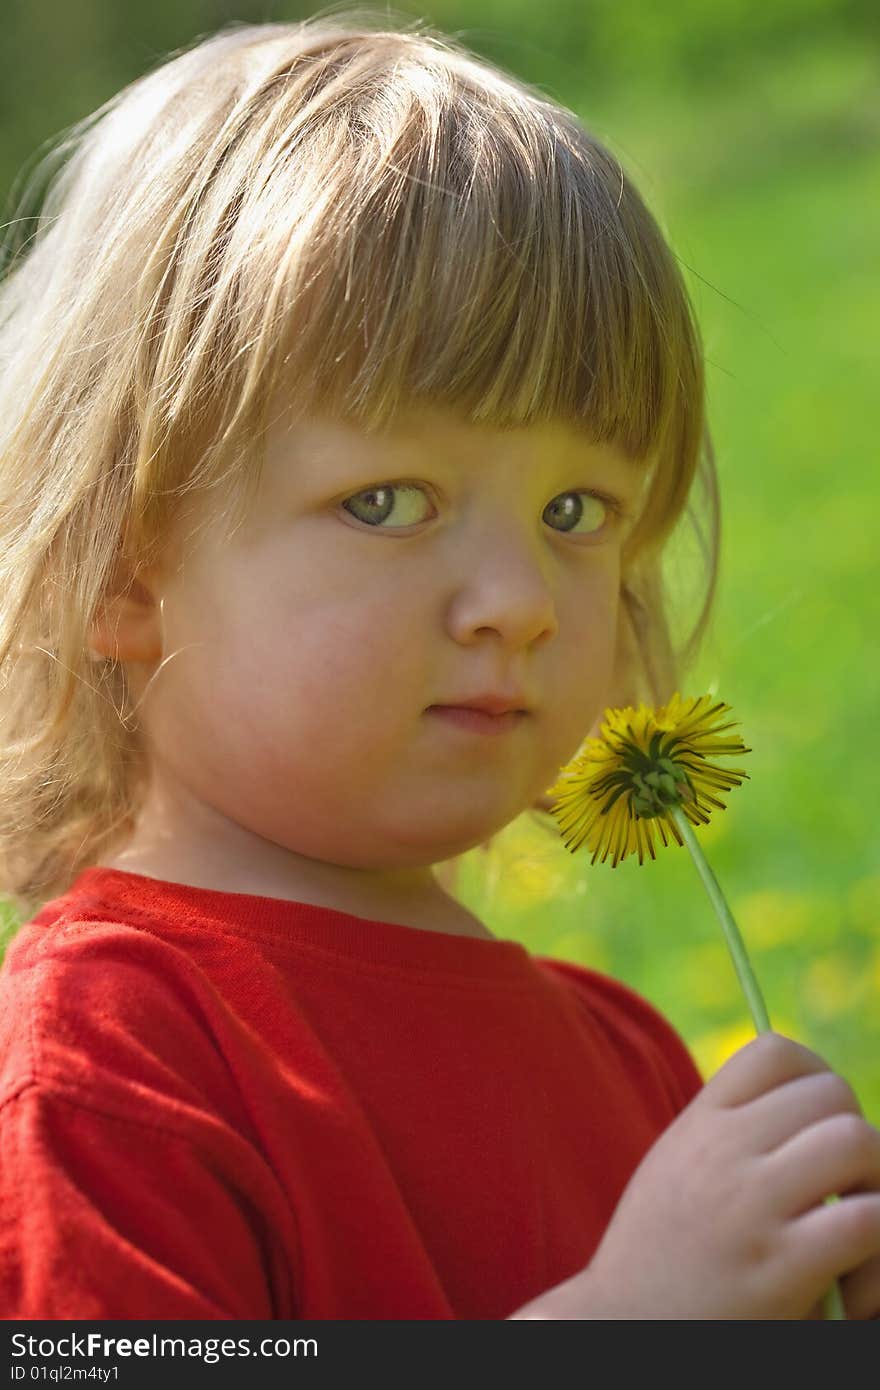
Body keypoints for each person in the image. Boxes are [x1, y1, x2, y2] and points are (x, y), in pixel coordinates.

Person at [0, 14, 877, 1322]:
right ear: (125, 570)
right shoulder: (102, 1059)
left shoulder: (630, 1057)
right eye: (389, 499)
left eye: (577, 512)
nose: (521, 602)